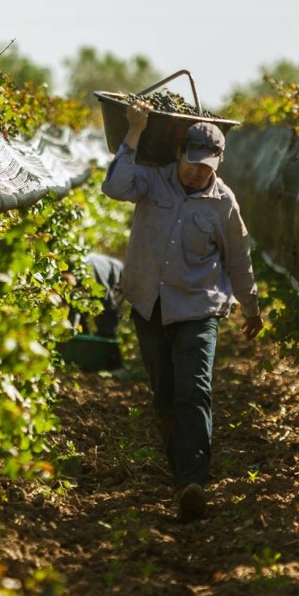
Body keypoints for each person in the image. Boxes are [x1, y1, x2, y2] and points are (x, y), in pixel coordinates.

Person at [101, 100, 263, 522]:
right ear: (179, 154)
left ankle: (192, 481)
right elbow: (114, 187)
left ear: (218, 164)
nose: (197, 172)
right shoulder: (152, 182)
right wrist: (135, 131)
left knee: (195, 392)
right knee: (165, 395)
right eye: (192, 162)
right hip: (149, 306)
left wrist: (251, 307)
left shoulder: (223, 203)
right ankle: (180, 473)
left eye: (206, 166)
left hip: (197, 310)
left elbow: (238, 260)